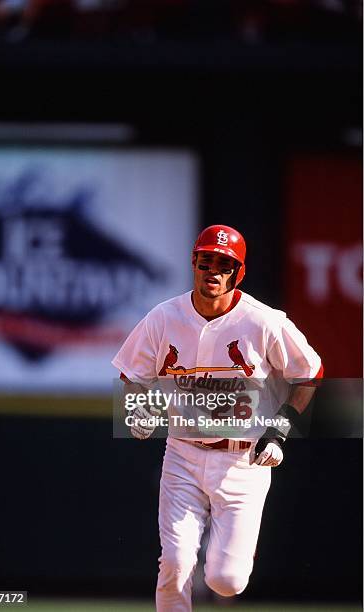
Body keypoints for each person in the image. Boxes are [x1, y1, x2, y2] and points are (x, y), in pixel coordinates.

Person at [112, 224, 323, 612]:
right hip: (183, 454)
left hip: (244, 460)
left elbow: (309, 373)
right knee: (175, 564)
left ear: (238, 273)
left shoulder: (263, 321)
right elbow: (132, 374)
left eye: (225, 264)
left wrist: (279, 429)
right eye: (206, 260)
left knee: (226, 582)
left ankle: (224, 556)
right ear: (194, 262)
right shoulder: (164, 317)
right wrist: (137, 408)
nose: (214, 270)